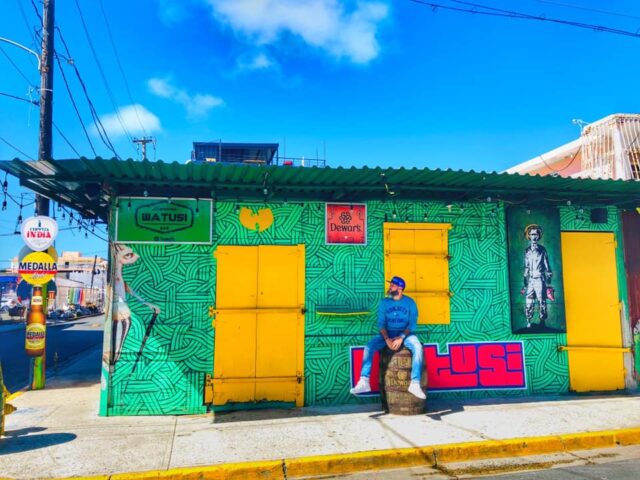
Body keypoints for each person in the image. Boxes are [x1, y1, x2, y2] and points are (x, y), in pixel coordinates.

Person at [350, 276, 425, 399]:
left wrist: (401, 337)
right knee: (369, 346)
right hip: (387, 333)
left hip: (405, 334)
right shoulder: (384, 302)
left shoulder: (410, 303)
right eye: (390, 285)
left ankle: (415, 383)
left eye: (392, 285)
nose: (389, 287)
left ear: (400, 288)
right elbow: (381, 323)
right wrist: (386, 339)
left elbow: (412, 324)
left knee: (417, 346)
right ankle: (364, 381)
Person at [522, 224, 552, 328]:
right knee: (529, 300)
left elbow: (546, 263)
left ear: (538, 236)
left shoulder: (542, 250)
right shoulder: (527, 251)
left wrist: (549, 274)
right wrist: (525, 277)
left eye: (535, 234)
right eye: (531, 234)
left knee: (541, 300)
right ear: (528, 236)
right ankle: (528, 320)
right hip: (530, 279)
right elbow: (526, 265)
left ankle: (542, 321)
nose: (533, 236)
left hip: (540, 278)